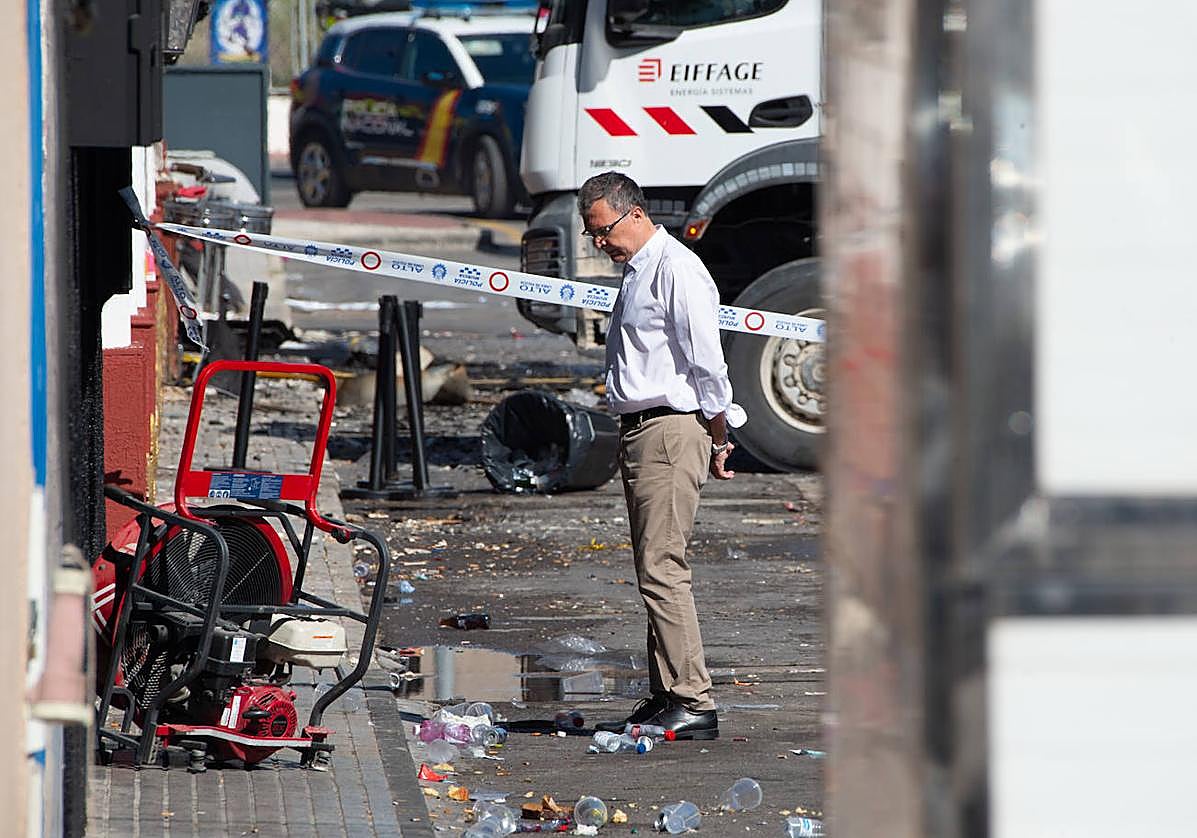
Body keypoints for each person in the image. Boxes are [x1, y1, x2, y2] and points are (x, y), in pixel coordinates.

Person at [581, 172, 745, 740]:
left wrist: (721, 436)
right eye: (591, 235)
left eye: (602, 231)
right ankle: (666, 691)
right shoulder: (640, 270)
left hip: (671, 431)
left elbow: (708, 365)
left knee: (662, 568)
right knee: (653, 566)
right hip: (643, 430)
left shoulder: (675, 269)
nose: (599, 244)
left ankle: (693, 699)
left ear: (634, 213)